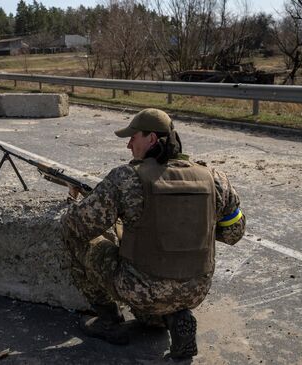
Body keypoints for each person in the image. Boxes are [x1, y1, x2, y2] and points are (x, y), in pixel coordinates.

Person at [60, 108, 246, 360]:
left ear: (152, 139)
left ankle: (108, 320)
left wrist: (76, 203)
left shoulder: (127, 178)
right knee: (157, 294)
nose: (128, 145)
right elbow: (234, 232)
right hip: (195, 290)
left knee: (76, 240)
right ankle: (174, 316)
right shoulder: (214, 178)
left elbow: (78, 226)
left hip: (141, 287)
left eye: (133, 137)